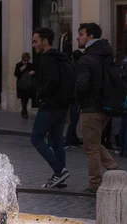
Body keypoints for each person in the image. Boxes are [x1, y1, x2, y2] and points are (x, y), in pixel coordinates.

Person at [75, 22, 119, 193]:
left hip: (91, 107)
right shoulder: (105, 54)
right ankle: (116, 169)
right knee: (93, 142)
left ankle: (95, 184)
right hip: (105, 106)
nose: (78, 37)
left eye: (81, 34)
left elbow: (82, 85)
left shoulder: (87, 58)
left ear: (90, 37)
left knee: (91, 147)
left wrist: (80, 101)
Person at [31, 27, 71, 189]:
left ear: (44, 41)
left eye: (35, 41)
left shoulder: (47, 58)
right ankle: (60, 176)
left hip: (49, 106)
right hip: (62, 106)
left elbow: (52, 81)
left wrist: (40, 93)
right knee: (56, 141)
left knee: (36, 138)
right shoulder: (60, 57)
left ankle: (60, 169)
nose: (33, 45)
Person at [65, 50, 83, 147]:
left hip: (72, 95)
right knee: (74, 118)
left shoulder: (70, 66)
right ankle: (69, 138)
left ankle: (73, 137)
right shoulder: (77, 67)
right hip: (75, 96)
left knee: (74, 117)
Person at [14, 52, 35, 119]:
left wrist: (32, 73)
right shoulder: (18, 65)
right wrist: (20, 70)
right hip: (21, 85)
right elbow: (15, 74)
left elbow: (35, 73)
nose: (26, 62)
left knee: (26, 98)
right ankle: (25, 112)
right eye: (24, 60)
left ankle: (23, 111)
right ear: (22, 59)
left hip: (28, 85)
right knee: (23, 98)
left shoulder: (30, 65)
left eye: (27, 60)